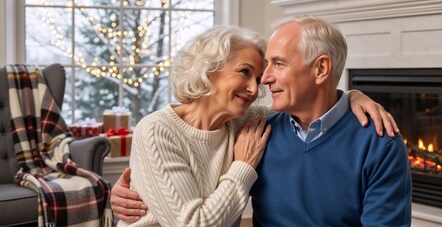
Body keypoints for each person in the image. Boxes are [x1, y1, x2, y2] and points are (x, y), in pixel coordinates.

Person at [111, 24, 401, 226]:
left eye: (269, 69)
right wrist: (243, 166)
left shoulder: (248, 124)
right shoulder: (159, 129)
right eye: (245, 72)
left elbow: (318, 105)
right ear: (208, 70)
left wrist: (353, 95)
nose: (258, 85)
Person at [250, 15, 412, 226]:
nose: (265, 78)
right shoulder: (257, 133)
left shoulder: (381, 142)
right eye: (267, 64)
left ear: (321, 69)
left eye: (279, 64)